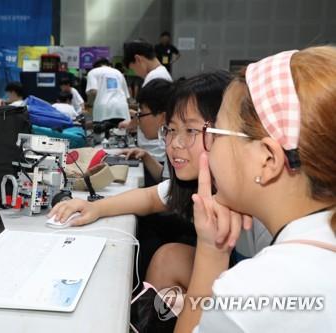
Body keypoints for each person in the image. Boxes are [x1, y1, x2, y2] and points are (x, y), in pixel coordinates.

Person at [175, 47, 336, 332]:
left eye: (214, 134)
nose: (207, 146)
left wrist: (212, 251)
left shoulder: (252, 291)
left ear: (267, 160)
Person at [49, 71, 233, 289]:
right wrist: (95, 207)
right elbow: (149, 197)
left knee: (167, 258)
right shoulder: (199, 183)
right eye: (172, 130)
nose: (175, 143)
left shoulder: (248, 200)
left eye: (190, 130)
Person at [121, 39, 173, 177]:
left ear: (138, 59)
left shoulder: (155, 78)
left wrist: (131, 123)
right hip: (154, 153)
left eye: (133, 68)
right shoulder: (159, 74)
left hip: (155, 150)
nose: (136, 73)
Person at [120, 78, 173, 182]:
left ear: (163, 117)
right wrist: (145, 156)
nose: (138, 121)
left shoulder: (176, 146)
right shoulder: (169, 139)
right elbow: (166, 180)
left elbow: (167, 191)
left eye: (141, 114)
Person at [86, 58, 130, 140]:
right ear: (109, 64)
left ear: (95, 66)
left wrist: (90, 105)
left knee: (101, 138)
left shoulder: (93, 72)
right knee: (121, 136)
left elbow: (93, 91)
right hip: (121, 107)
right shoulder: (118, 73)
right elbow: (126, 95)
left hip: (103, 107)